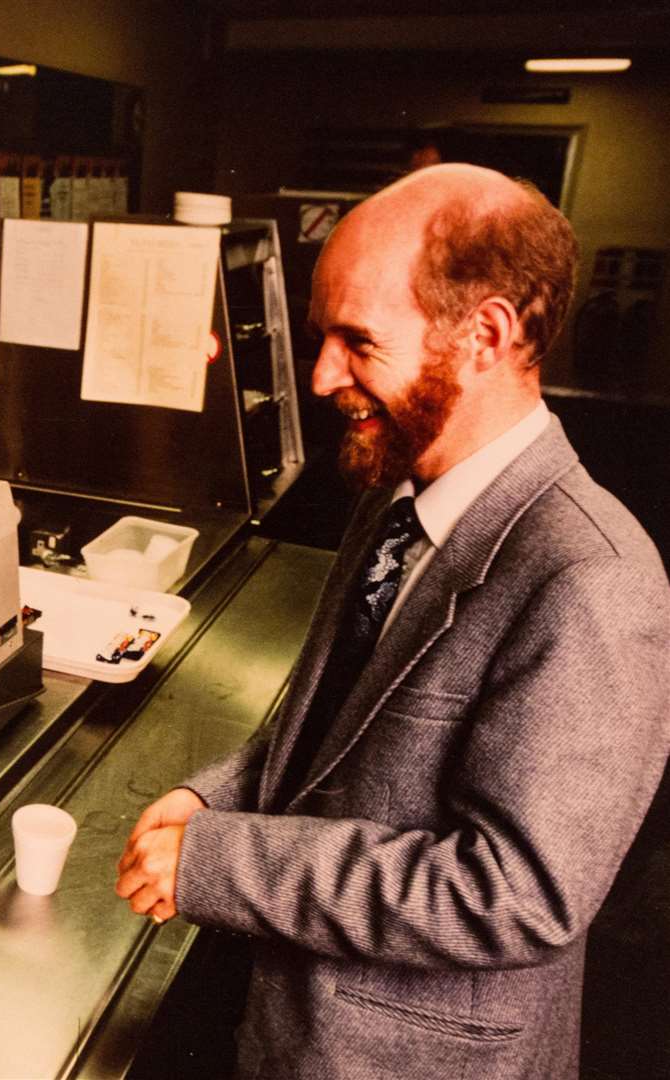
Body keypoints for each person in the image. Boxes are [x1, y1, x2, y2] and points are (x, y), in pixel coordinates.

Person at [116, 163, 670, 1079]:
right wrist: (219, 793)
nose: (325, 373)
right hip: (293, 1027)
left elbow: (516, 894)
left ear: (485, 335)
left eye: (357, 340)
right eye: (319, 336)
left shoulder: (593, 580)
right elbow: (330, 729)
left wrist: (226, 859)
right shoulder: (397, 497)